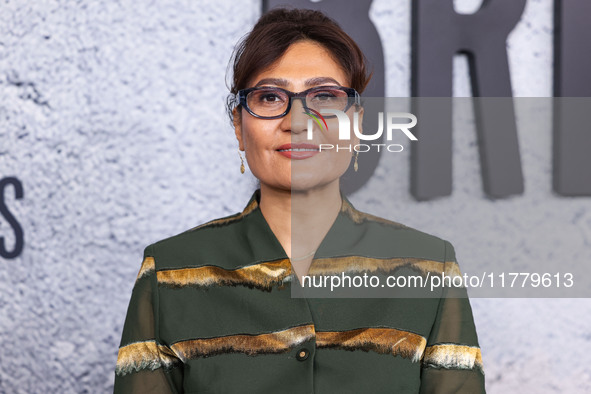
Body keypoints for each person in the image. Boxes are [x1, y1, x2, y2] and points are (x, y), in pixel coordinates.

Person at [114, 7, 485, 393]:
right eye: (270, 97)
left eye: (324, 96)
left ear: (356, 126)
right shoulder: (170, 272)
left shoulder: (429, 268)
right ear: (240, 128)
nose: (297, 121)